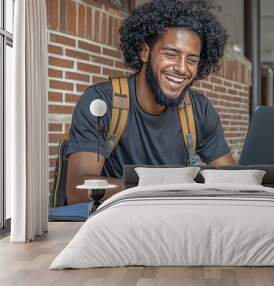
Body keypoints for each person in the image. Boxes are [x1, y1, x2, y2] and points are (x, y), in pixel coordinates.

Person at [66, 0, 236, 204]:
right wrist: (167, 187)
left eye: (192, 60)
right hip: (118, 222)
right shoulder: (102, 102)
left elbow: (232, 181)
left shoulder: (199, 110)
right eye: (171, 54)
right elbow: (77, 190)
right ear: (145, 52)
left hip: (174, 223)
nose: (182, 68)